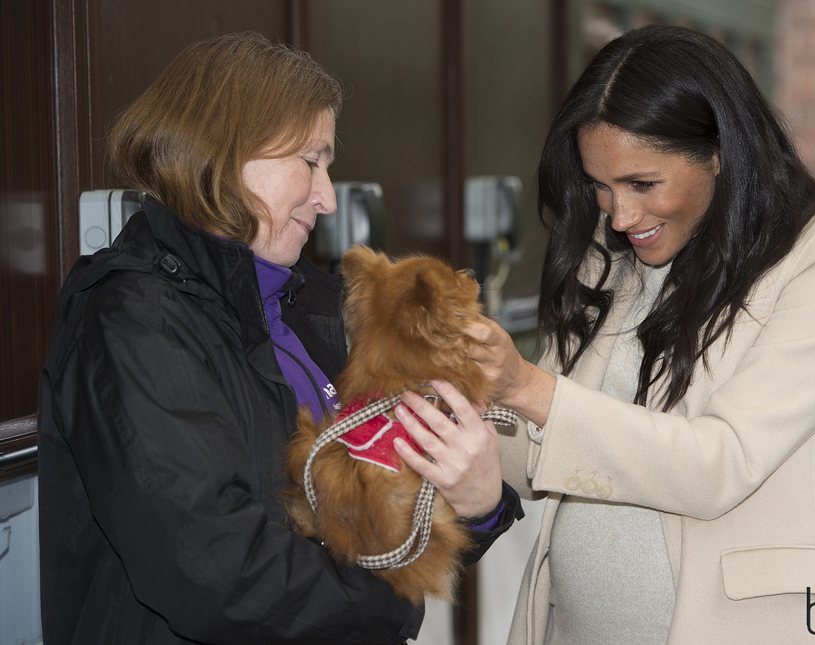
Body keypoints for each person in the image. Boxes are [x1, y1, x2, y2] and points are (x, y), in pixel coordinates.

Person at [37, 32, 520, 645]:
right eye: (311, 161)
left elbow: (376, 520)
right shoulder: (131, 318)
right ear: (226, 149)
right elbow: (215, 574)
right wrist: (393, 605)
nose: (325, 197)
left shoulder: (303, 304)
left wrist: (480, 504)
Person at [464, 25, 815, 644]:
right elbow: (540, 454)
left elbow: (719, 464)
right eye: (601, 186)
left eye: (644, 183)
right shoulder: (609, 252)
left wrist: (528, 387)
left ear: (719, 152)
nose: (621, 215)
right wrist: (460, 414)